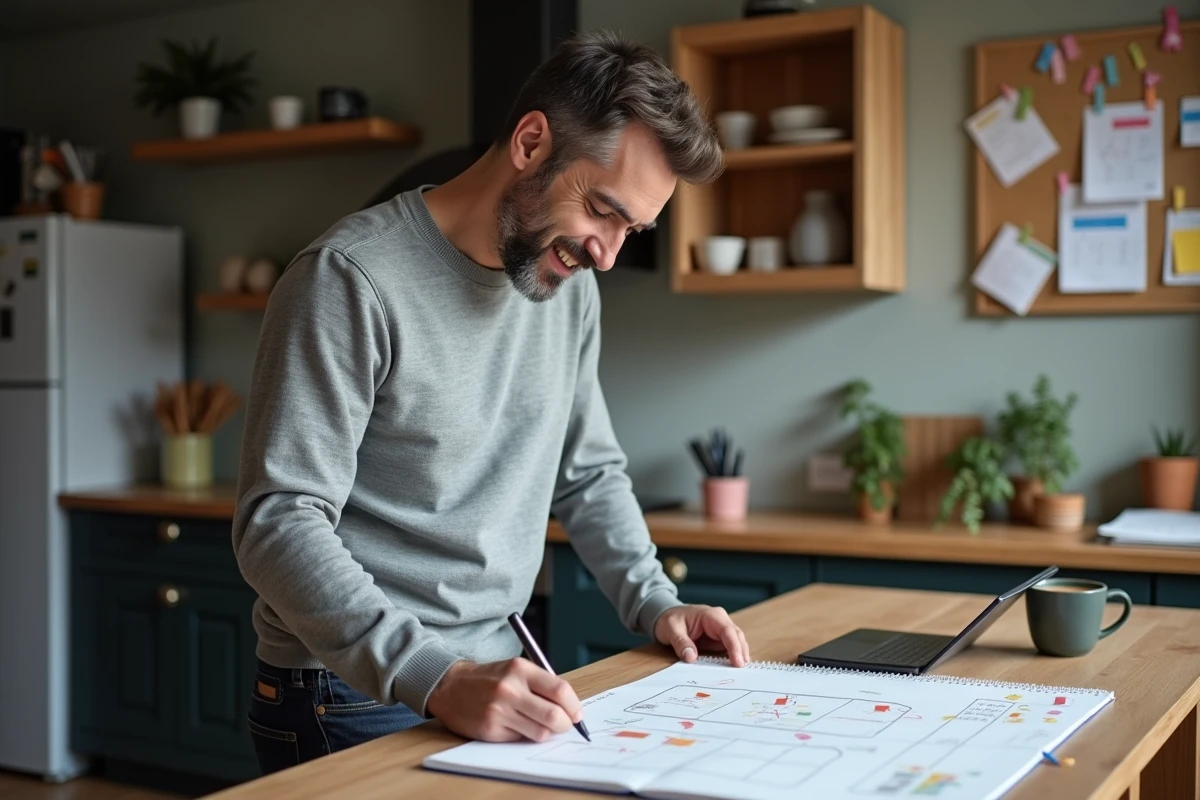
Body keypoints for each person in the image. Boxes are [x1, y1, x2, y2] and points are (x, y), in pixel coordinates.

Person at [232, 29, 748, 776]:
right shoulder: (349, 279)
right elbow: (278, 522)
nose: (607, 251)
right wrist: (437, 677)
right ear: (532, 142)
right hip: (351, 690)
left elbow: (588, 473)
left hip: (499, 667)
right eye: (603, 211)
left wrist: (655, 603)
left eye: (631, 229)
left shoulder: (570, 293)